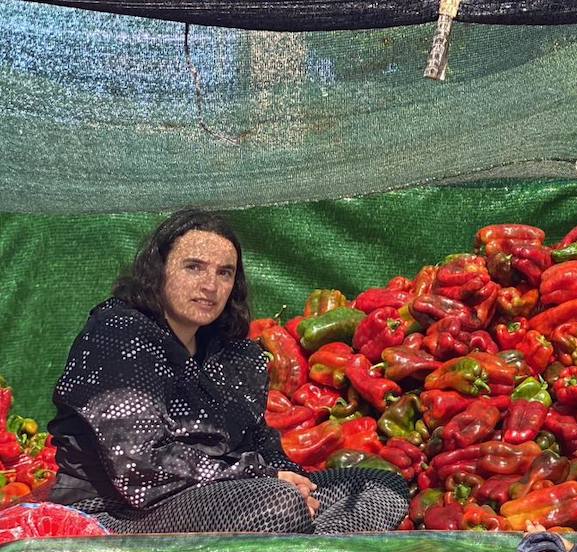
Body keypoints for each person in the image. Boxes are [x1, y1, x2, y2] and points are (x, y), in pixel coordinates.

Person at [47, 208, 408, 534]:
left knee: (382, 491)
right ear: (158, 271)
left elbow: (259, 441)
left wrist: (291, 477)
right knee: (278, 505)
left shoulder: (233, 356)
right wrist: (268, 480)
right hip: (119, 511)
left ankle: (305, 549)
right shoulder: (120, 331)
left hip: (226, 492)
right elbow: (138, 462)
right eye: (194, 267)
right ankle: (304, 546)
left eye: (224, 273)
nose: (210, 286)